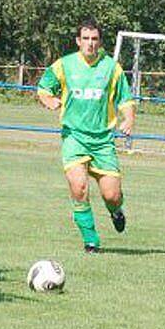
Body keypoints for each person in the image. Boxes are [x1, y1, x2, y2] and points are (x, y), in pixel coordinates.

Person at [36, 18, 136, 252]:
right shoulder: (64, 65)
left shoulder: (112, 68)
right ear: (78, 41)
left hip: (103, 141)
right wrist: (49, 99)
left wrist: (129, 119)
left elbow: (125, 99)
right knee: (79, 187)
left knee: (111, 195)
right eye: (86, 39)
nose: (90, 44)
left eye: (94, 39)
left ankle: (116, 210)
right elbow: (43, 88)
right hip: (74, 137)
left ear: (100, 42)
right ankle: (91, 241)